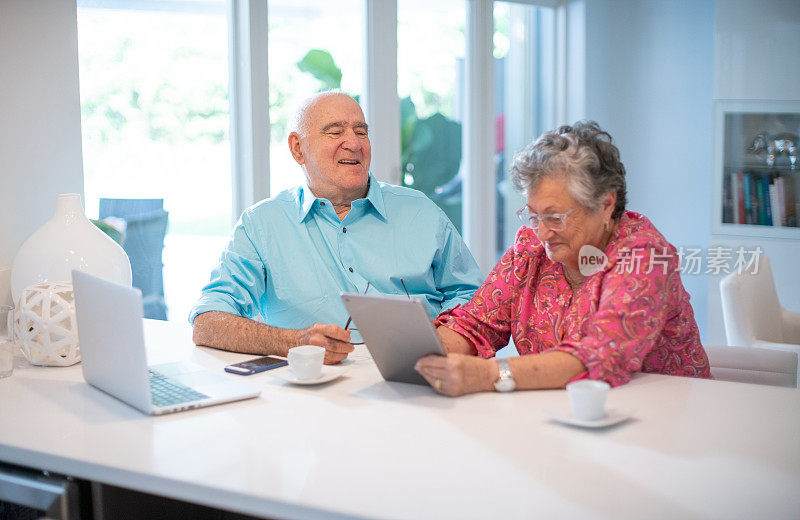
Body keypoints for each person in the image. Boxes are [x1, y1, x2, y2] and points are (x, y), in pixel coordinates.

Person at [415, 121, 711, 396]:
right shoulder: (530, 247)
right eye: (534, 216)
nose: (542, 232)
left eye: (555, 217)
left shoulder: (644, 257)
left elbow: (595, 358)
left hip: (663, 416)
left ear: (605, 205)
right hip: (562, 417)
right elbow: (475, 324)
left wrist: (485, 375)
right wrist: (426, 357)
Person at [191, 92, 482, 364]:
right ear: (298, 148)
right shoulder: (261, 224)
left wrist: (435, 340)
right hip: (311, 392)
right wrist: (294, 341)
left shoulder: (421, 212)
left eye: (361, 131)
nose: (354, 143)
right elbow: (208, 323)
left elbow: (476, 300)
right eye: (335, 132)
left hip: (419, 375)